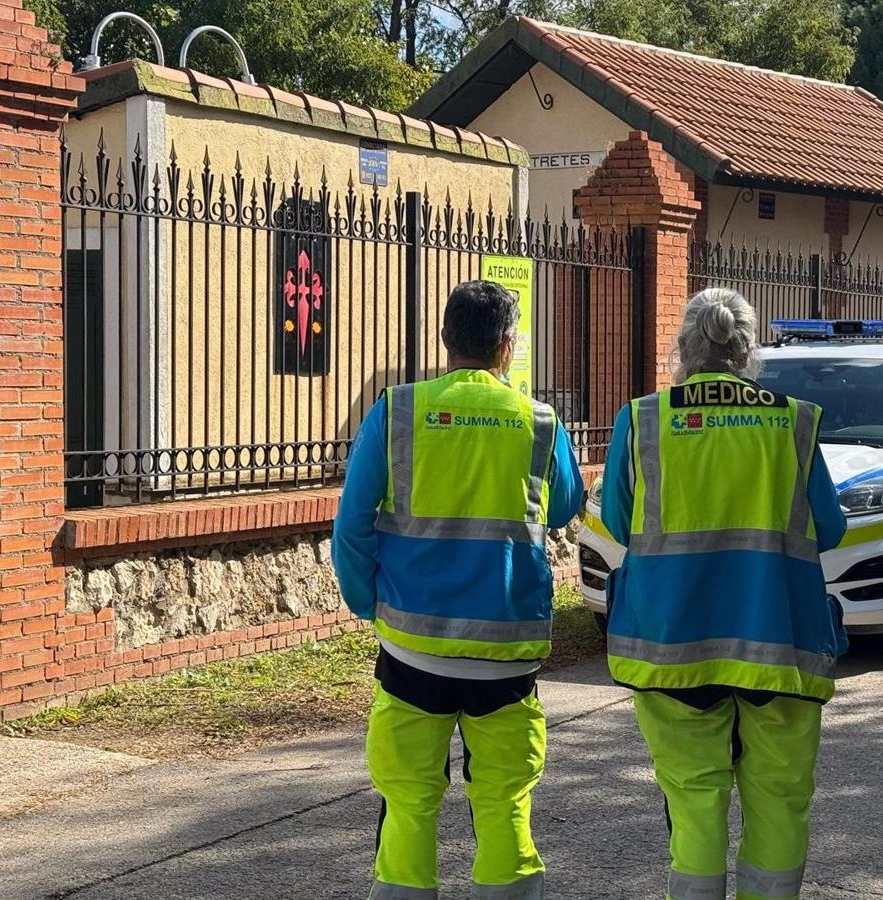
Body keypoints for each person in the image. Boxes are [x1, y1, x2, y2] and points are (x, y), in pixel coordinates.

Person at [332, 280, 584, 900]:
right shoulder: (539, 421)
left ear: (446, 340)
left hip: (413, 647)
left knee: (409, 802)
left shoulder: (396, 411)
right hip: (505, 653)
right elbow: (566, 507)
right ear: (508, 344)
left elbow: (352, 523)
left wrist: (371, 604)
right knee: (502, 803)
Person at [599, 288, 847, 900]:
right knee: (780, 799)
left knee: (694, 801)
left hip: (673, 643)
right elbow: (832, 527)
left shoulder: (645, 419)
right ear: (747, 350)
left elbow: (616, 516)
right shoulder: (793, 420)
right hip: (779, 642)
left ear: (683, 347)